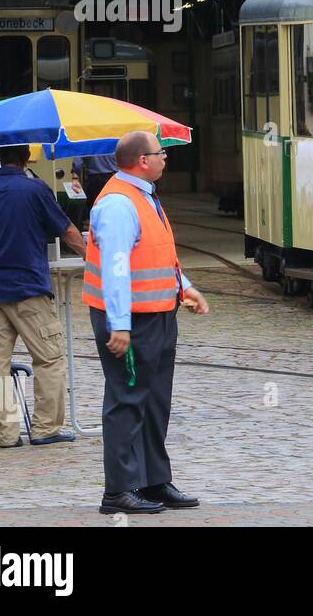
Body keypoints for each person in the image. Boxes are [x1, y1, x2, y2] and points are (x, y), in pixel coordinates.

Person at [84, 131, 209, 515]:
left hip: (155, 314)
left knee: (154, 400)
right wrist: (119, 325)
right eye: (160, 154)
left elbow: (155, 255)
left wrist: (183, 287)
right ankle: (118, 490)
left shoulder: (143, 195)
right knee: (127, 399)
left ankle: (153, 481)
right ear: (142, 160)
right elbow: (116, 269)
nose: (165, 159)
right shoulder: (120, 203)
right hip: (131, 319)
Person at [0, 145, 87, 449]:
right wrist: (95, 259)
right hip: (28, 288)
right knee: (49, 358)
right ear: (25, 159)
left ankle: (7, 434)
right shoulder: (36, 189)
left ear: (0, 157)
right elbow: (67, 230)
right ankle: (45, 428)